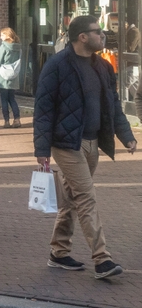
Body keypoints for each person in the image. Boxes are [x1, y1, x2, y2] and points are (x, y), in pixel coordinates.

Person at [34, 15, 136, 279]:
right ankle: (102, 259)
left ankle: (58, 252)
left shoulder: (103, 66)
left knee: (70, 200)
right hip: (66, 144)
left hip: (93, 142)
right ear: (82, 37)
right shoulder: (57, 65)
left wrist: (126, 136)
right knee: (87, 198)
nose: (102, 36)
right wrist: (42, 151)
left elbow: (112, 105)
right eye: (97, 32)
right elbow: (43, 110)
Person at [0, 28, 23, 128]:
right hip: (13, 76)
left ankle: (6, 121)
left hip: (3, 77)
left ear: (7, 35)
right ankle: (17, 119)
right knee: (12, 99)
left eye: (2, 35)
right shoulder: (18, 47)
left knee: (4, 100)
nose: (0, 37)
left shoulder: (4, 47)